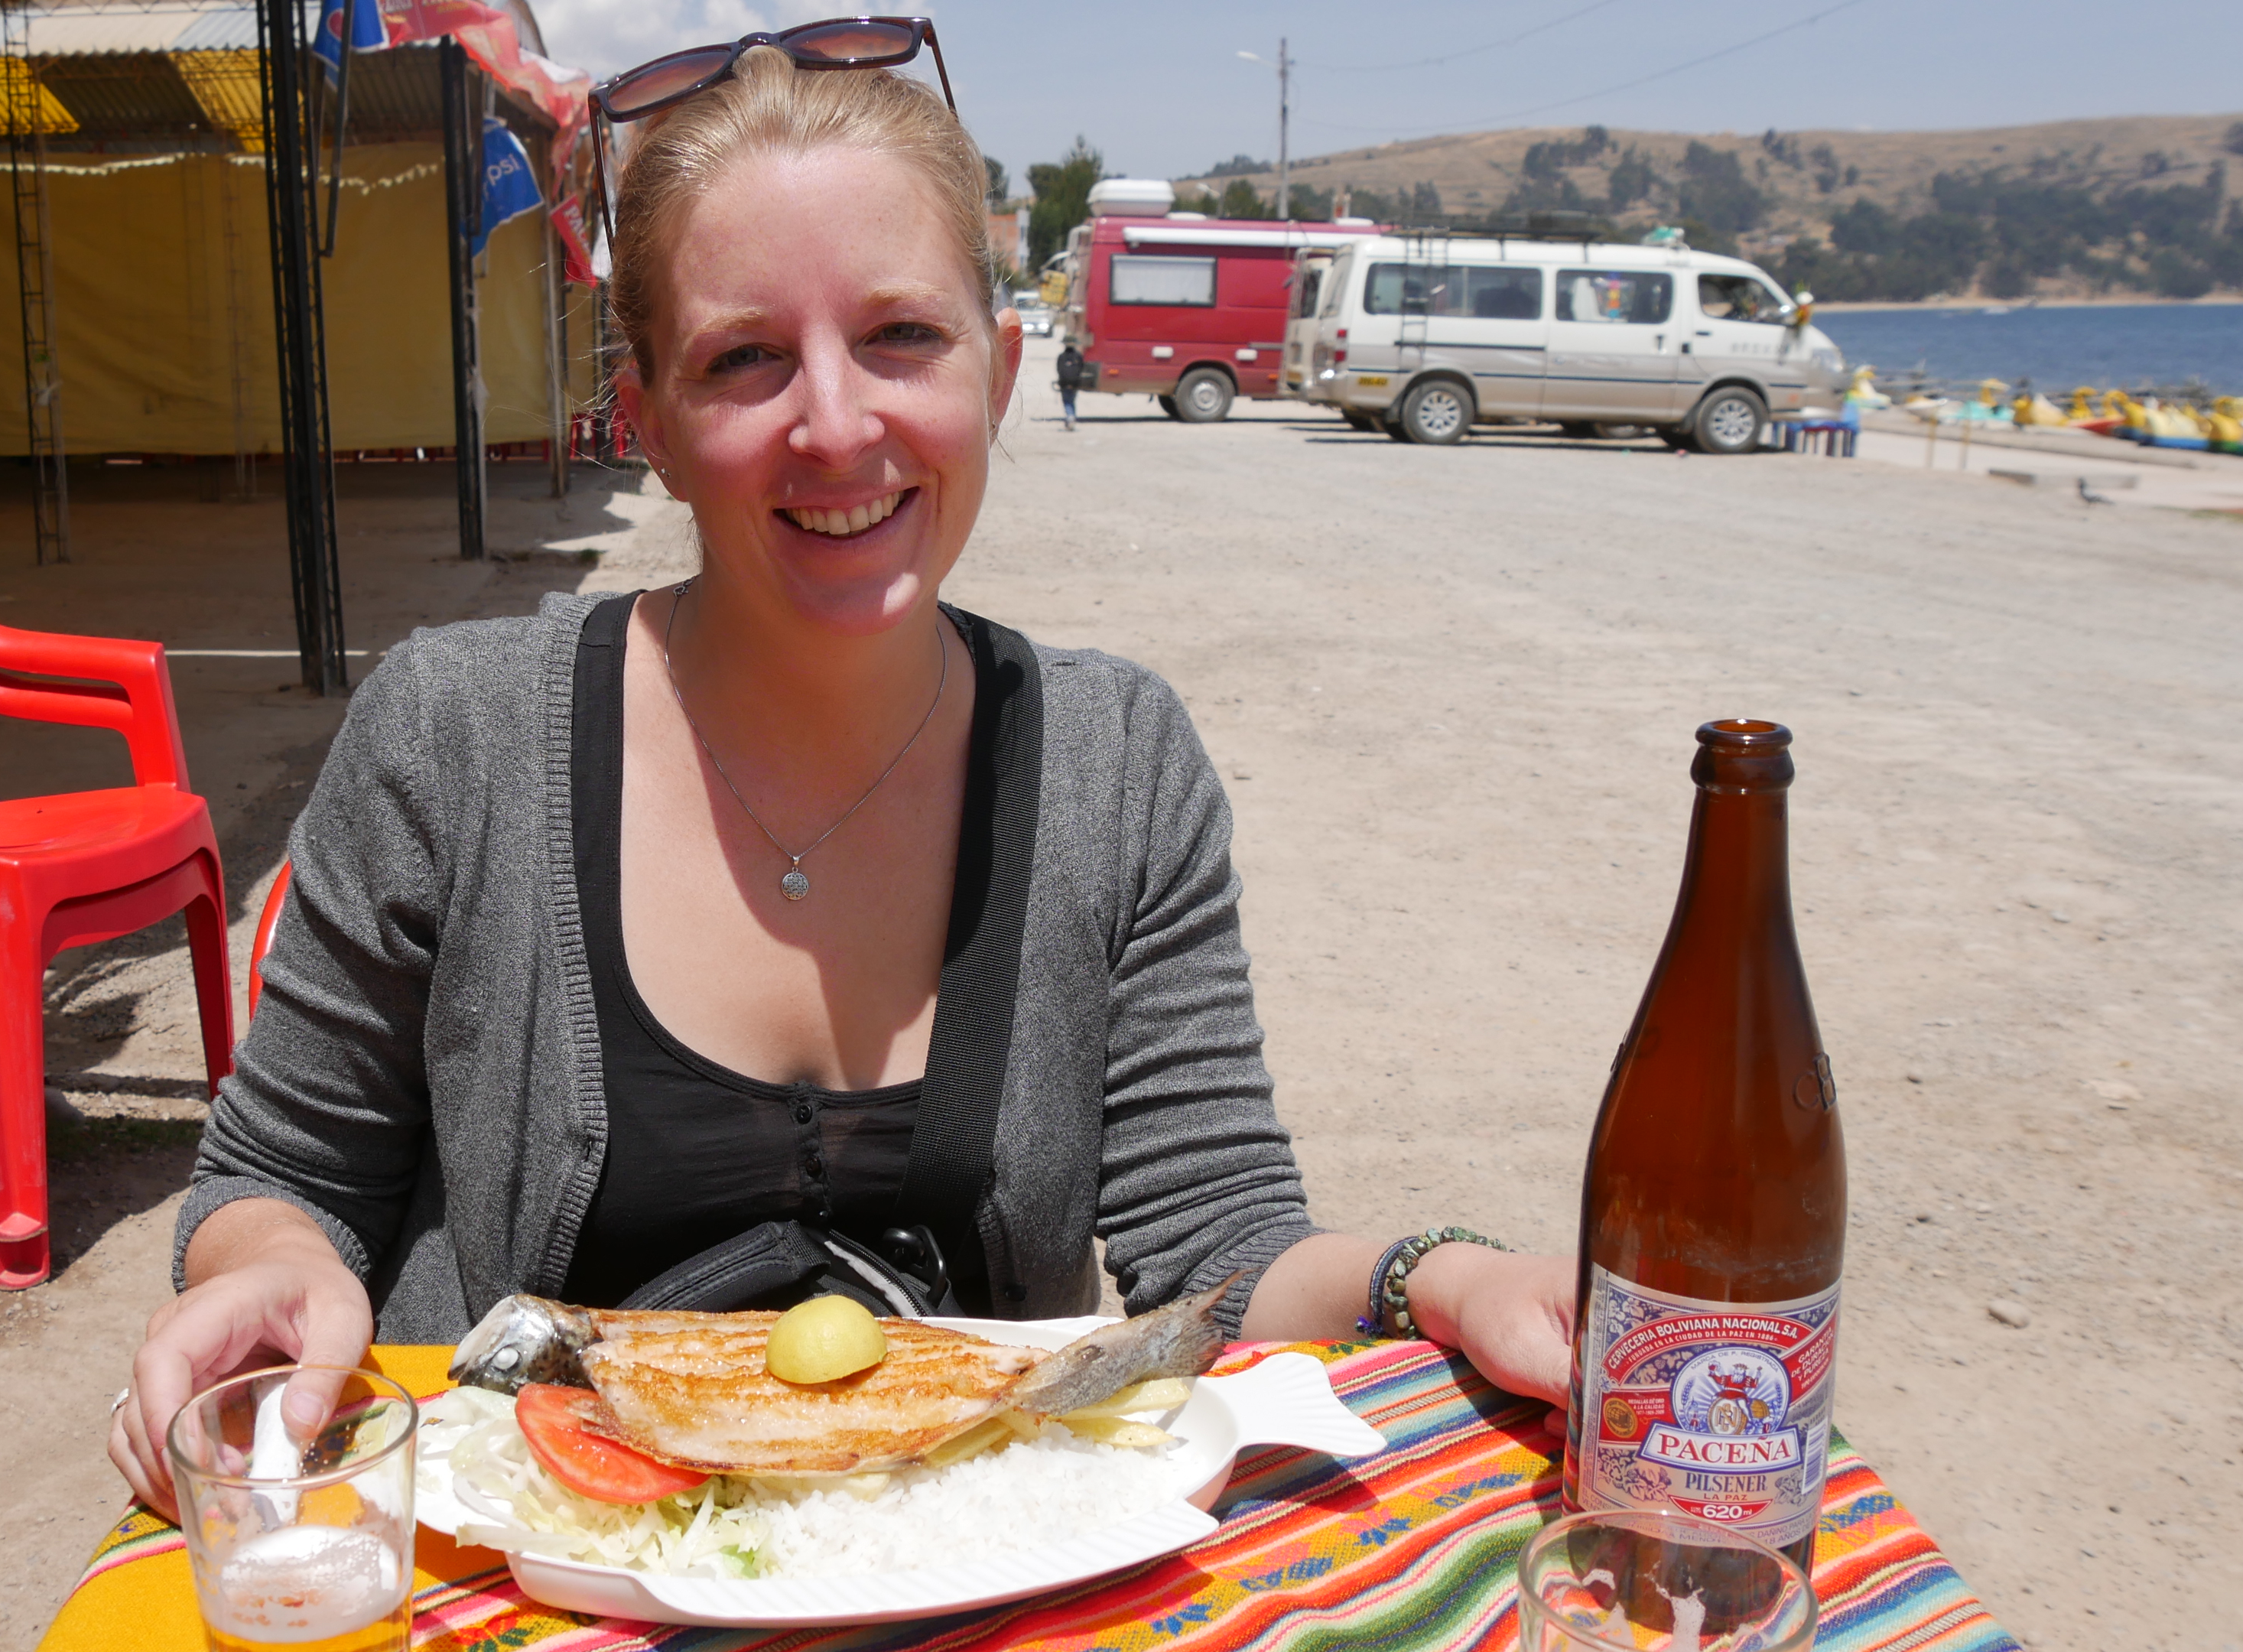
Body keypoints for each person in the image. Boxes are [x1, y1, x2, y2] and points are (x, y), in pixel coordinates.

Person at [110, 33, 1572, 1518]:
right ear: (649, 423)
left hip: (964, 1572)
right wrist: (274, 1271)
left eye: (901, 335)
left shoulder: (1117, 764)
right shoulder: (455, 737)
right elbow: (277, 1179)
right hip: (528, 1568)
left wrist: (1439, 1277)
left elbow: (1219, 1242)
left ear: (1001, 373)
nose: (834, 422)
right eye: (744, 358)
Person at [1056, 339, 1084, 431]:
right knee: (1072, 400)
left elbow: (1059, 370)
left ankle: (1070, 417)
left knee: (1067, 401)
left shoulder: (1062, 357)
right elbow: (1081, 368)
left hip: (1064, 383)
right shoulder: (1078, 356)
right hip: (1075, 382)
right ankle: (1072, 417)